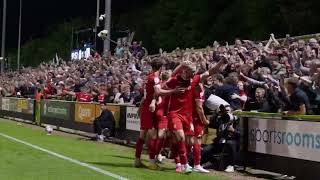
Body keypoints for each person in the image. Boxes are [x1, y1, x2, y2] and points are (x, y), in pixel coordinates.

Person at [134, 58, 182, 170]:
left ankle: (137, 160)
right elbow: (158, 92)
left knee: (142, 135)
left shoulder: (150, 77)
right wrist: (173, 91)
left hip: (148, 107)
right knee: (153, 135)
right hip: (150, 110)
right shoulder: (155, 78)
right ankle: (151, 163)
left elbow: (152, 94)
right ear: (161, 68)